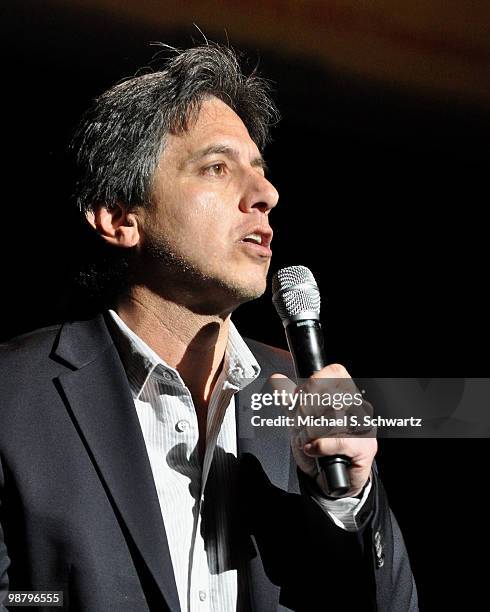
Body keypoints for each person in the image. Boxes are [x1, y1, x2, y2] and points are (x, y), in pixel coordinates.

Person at [0, 43, 417, 612]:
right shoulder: (14, 394)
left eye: (261, 173)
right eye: (218, 168)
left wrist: (348, 498)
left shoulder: (305, 398)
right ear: (119, 217)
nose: (266, 195)